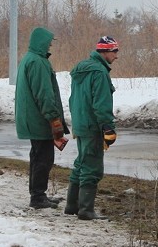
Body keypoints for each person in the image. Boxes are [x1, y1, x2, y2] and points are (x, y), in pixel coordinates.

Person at [64, 35, 119, 220]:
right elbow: (101, 104)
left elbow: (73, 100)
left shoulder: (80, 70)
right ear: (105, 52)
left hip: (80, 124)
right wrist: (108, 128)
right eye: (114, 51)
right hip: (93, 126)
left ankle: (72, 205)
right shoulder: (99, 73)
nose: (117, 56)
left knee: (81, 163)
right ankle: (86, 210)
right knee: (92, 167)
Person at [15, 27, 69, 209]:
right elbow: (44, 94)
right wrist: (54, 119)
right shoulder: (38, 62)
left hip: (32, 118)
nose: (50, 45)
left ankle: (37, 194)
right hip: (39, 121)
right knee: (43, 159)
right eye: (49, 42)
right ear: (41, 42)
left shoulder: (29, 59)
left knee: (38, 157)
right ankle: (38, 197)